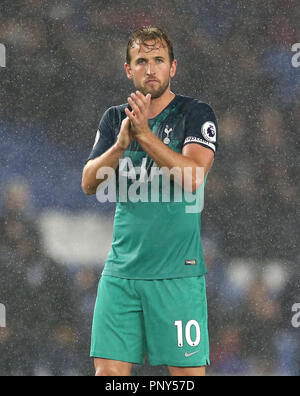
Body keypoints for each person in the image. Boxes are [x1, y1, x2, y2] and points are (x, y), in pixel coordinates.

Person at [82, 26, 219, 376]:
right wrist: (121, 144)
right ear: (129, 70)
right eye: (141, 61)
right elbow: (89, 183)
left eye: (158, 60)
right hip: (121, 273)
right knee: (109, 376)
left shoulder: (195, 113)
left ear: (173, 67)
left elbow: (192, 177)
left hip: (176, 274)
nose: (150, 68)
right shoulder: (115, 119)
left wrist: (145, 136)